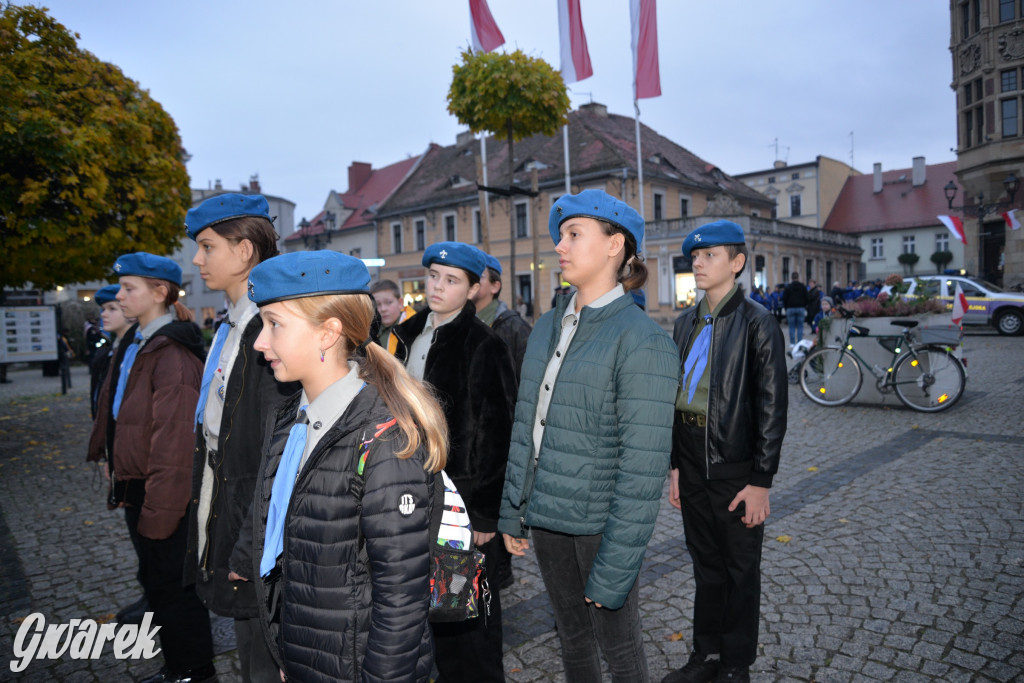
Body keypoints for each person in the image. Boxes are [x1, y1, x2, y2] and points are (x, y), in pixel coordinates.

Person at [499, 190, 678, 682]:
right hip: (549, 516)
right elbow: (526, 425)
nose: (560, 245)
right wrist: (514, 510)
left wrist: (618, 563)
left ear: (614, 245)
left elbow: (642, 469)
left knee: (619, 648)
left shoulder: (642, 339)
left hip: (599, 525)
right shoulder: (547, 327)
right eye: (560, 235)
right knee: (572, 638)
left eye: (574, 234)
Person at [241, 250, 444, 681]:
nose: (260, 341)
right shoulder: (292, 420)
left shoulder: (383, 439)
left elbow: (401, 599)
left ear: (327, 333)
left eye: (274, 323)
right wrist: (287, 654)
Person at [663, 220, 788, 683]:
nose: (698, 262)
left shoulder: (758, 323)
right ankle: (706, 655)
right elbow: (675, 400)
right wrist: (675, 465)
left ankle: (736, 663)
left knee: (740, 569)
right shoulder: (684, 323)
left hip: (735, 464)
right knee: (705, 564)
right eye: (695, 256)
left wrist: (761, 481)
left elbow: (774, 407)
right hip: (692, 458)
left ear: (737, 263)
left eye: (710, 255)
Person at [181, 193, 299, 683]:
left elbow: (275, 447)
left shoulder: (266, 329)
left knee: (265, 649)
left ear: (245, 251)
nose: (197, 259)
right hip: (230, 502)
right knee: (253, 644)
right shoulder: (236, 322)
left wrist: (251, 544)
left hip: (253, 514)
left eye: (208, 247)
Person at [86, 253, 215, 683]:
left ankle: (193, 671)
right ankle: (178, 664)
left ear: (160, 293)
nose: (120, 296)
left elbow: (174, 446)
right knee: (156, 581)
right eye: (120, 287)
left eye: (129, 288)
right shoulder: (138, 342)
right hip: (139, 486)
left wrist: (159, 511)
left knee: (173, 588)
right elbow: (119, 412)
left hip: (162, 493)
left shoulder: (171, 353)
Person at [392, 241, 518, 683]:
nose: (438, 287)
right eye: (433, 277)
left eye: (452, 280)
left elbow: (497, 433)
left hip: (459, 506)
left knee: (469, 617)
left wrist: (484, 511)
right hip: (407, 495)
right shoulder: (405, 336)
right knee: (427, 613)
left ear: (472, 289)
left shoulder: (485, 345)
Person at [472, 252, 533, 380]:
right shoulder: (457, 323)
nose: (472, 280)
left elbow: (528, 381)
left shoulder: (516, 328)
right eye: (470, 274)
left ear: (495, 286)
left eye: (479, 275)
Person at [371, 279, 416, 354]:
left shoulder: (415, 329)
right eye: (377, 304)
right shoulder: (371, 332)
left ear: (400, 303)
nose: (383, 309)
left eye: (388, 302)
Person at [782, 272, 809, 345]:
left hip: (790, 308)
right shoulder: (802, 286)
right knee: (800, 326)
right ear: (798, 278)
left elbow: (784, 298)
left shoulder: (788, 287)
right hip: (800, 307)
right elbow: (806, 297)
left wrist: (786, 307)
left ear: (791, 278)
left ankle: (792, 343)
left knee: (791, 326)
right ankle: (800, 342)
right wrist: (805, 305)